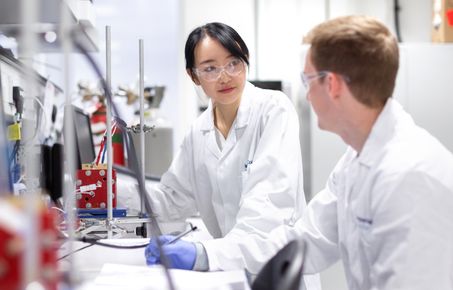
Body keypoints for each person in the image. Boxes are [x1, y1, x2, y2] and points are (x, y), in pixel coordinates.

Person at [235, 15, 453, 290]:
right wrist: (205, 256)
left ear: (333, 84)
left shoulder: (412, 176)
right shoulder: (355, 159)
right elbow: (306, 239)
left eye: (307, 80)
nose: (308, 95)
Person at [144, 22, 320, 289]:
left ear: (245, 63)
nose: (225, 76)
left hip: (276, 271)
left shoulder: (274, 110)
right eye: (210, 68)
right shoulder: (198, 131)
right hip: (230, 268)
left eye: (234, 63)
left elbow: (266, 214)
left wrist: (205, 254)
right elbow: (174, 199)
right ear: (194, 76)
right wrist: (112, 192)